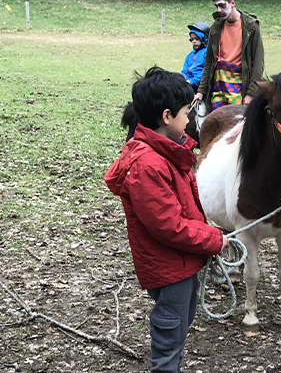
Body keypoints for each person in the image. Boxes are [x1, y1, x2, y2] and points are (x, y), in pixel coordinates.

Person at [104, 66, 229, 373]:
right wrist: (213, 239)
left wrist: (205, 233)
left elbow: (181, 211)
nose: (190, 119)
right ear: (167, 116)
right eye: (187, 112)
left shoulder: (166, 154)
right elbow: (168, 225)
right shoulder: (148, 165)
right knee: (170, 324)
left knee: (182, 316)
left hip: (181, 259)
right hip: (169, 264)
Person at [194, 0, 264, 112]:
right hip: (217, 84)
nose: (219, 10)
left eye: (222, 5)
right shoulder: (216, 27)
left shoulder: (251, 27)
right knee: (216, 123)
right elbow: (208, 62)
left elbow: (258, 63)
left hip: (239, 85)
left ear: (232, 3)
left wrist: (251, 93)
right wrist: (201, 91)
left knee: (234, 124)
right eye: (217, 7)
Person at [181, 21, 210, 93]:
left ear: (204, 39)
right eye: (192, 39)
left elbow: (205, 72)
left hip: (201, 87)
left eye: (197, 39)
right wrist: (181, 79)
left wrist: (191, 81)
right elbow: (184, 71)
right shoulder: (189, 56)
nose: (194, 41)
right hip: (188, 85)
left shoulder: (207, 54)